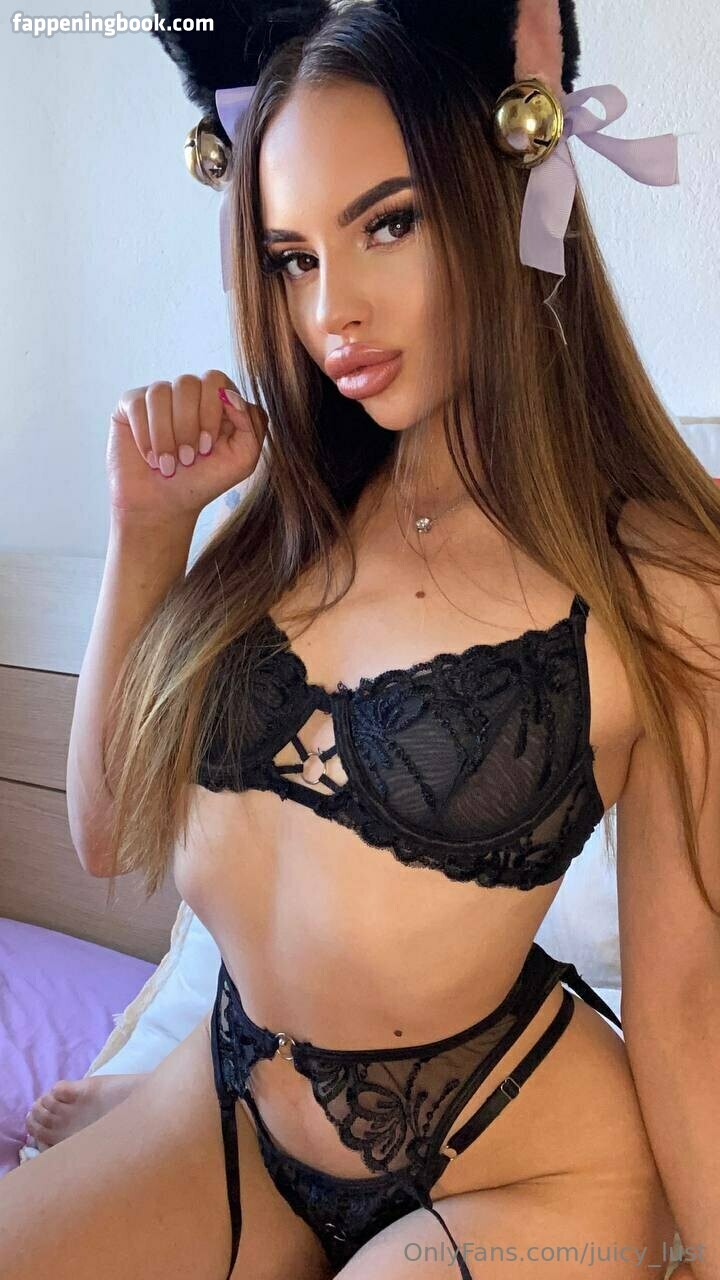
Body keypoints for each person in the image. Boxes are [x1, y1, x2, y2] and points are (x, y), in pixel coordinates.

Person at [3, 2, 716, 1277]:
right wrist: (147, 530)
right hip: (235, 1097)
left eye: (389, 223)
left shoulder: (658, 576)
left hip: (518, 1156)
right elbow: (111, 837)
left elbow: (686, 996)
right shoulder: (281, 524)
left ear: (501, 187)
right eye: (293, 257)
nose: (334, 310)